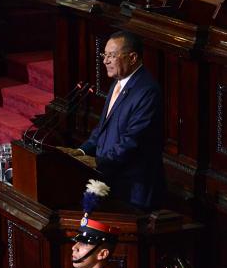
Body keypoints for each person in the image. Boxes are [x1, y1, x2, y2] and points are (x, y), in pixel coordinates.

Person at [70, 31, 164, 211]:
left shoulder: (147, 91)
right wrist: (81, 152)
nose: (105, 61)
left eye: (112, 55)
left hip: (133, 190)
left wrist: (97, 163)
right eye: (104, 55)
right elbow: (102, 129)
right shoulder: (118, 83)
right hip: (111, 179)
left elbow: (132, 141)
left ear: (132, 57)